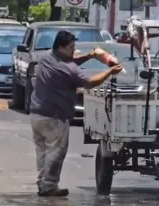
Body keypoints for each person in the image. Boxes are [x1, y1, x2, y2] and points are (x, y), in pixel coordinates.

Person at [30, 30, 123, 197]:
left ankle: (42, 183)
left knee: (42, 151)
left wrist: (89, 56)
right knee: (56, 152)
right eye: (72, 47)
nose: (74, 50)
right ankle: (49, 186)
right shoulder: (68, 69)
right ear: (62, 47)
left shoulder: (45, 58)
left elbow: (71, 61)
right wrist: (110, 72)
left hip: (36, 114)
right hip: (55, 117)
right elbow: (89, 82)